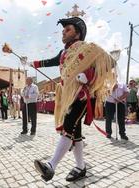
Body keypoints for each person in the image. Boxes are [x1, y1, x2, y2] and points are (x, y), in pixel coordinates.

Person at [32, 17, 116, 182]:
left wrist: (88, 75)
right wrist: (30, 62)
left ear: (78, 33)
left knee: (69, 124)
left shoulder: (89, 49)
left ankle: (51, 166)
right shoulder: (63, 53)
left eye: (67, 29)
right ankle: (80, 167)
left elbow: (110, 63)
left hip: (84, 95)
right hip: (70, 96)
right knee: (75, 132)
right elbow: (48, 61)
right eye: (63, 31)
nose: (63, 32)